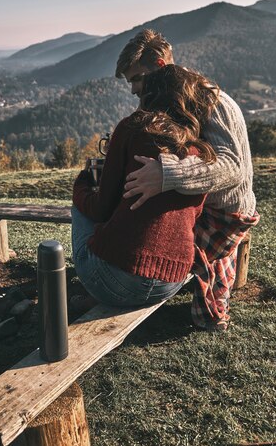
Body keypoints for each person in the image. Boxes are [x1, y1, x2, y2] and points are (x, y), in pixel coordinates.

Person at [115, 29, 259, 331]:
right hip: (204, 205)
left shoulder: (212, 101)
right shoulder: (175, 98)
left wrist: (166, 174)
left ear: (159, 64)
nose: (133, 90)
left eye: (137, 79)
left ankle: (119, 284)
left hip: (224, 214)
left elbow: (231, 167)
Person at [72, 64, 214, 310]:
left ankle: (100, 287)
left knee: (81, 207)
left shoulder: (133, 128)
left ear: (151, 94)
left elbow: (100, 209)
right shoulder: (200, 149)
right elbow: (194, 214)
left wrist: (81, 184)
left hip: (116, 281)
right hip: (171, 282)